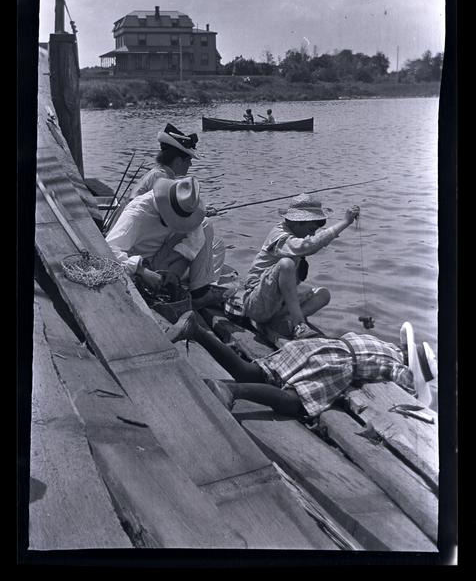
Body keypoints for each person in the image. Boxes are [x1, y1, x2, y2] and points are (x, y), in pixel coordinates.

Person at [168, 313, 437, 420]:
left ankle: (197, 330)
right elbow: (404, 378)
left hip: (318, 346)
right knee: (295, 402)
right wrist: (414, 388)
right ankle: (233, 391)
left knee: (255, 371)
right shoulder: (395, 363)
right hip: (335, 366)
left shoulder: (381, 343)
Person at [242, 194, 360, 339]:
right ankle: (299, 324)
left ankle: (285, 321)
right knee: (286, 264)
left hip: (278, 305)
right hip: (257, 304)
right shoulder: (280, 236)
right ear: (297, 223)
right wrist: (345, 222)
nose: (312, 233)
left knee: (323, 294)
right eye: (310, 229)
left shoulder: (294, 235)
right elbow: (309, 245)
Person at [106, 175, 223, 309]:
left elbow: (195, 236)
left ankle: (199, 290)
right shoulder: (137, 214)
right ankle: (197, 292)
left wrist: (173, 259)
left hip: (166, 258)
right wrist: (141, 270)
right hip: (145, 268)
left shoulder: (183, 203)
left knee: (208, 228)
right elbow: (107, 249)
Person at [130, 123, 199, 199]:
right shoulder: (160, 177)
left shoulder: (158, 173)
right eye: (188, 160)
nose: (190, 164)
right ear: (178, 161)